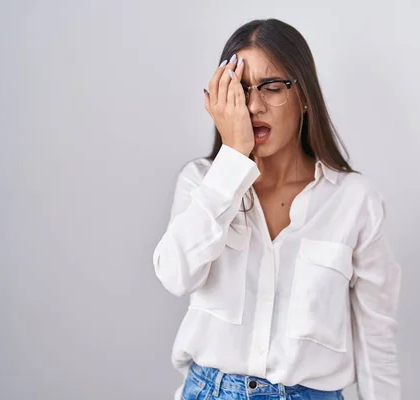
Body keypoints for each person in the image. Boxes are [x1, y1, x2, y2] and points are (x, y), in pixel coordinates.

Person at [152, 18, 402, 400]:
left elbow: (376, 341)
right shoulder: (202, 182)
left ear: (304, 96)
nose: (253, 106)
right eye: (239, 90)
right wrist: (233, 157)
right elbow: (175, 275)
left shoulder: (354, 200)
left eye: (271, 87)